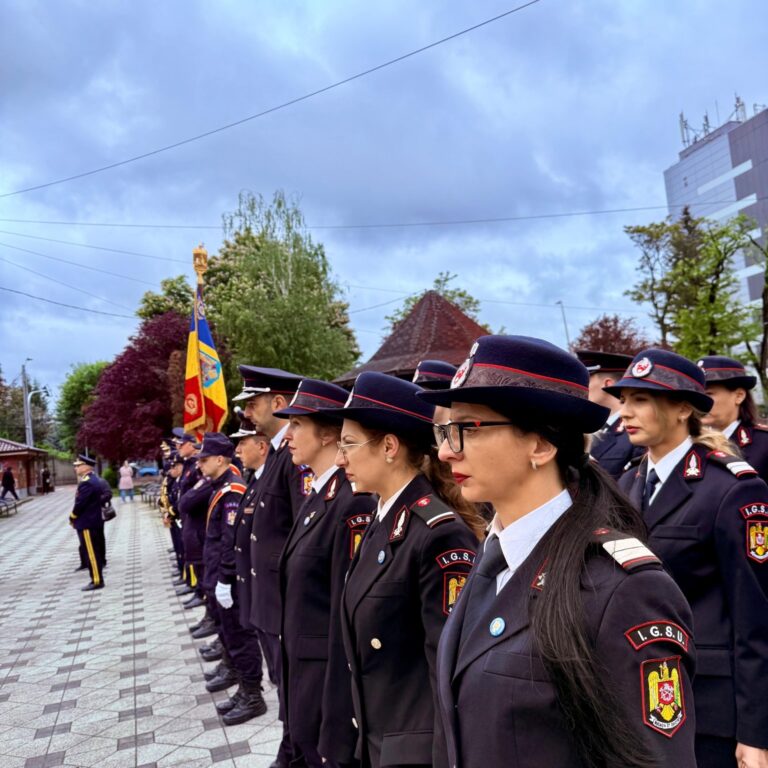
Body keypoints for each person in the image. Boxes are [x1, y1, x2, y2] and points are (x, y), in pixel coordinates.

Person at [420, 335, 697, 768]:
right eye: (445, 430)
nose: (445, 451)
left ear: (541, 445)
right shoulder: (494, 558)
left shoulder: (622, 590)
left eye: (468, 428)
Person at [610, 347, 768, 768]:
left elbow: (755, 619)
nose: (625, 411)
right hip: (635, 697)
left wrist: (755, 733)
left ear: (683, 408)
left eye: (640, 399)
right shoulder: (625, 485)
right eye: (623, 399)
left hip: (708, 706)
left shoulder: (731, 489)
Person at [337, 371, 482, 768]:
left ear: (389, 446)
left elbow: (448, 670)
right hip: (381, 738)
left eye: (348, 444)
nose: (339, 458)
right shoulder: (383, 517)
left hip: (417, 751)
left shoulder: (438, 534)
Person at [274, 378, 373, 767]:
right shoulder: (319, 493)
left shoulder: (350, 502)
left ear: (329, 434)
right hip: (302, 673)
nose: (287, 435)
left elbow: (343, 614)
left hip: (324, 684)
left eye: (297, 424)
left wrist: (338, 714)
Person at [236, 365, 313, 768]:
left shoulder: (295, 460)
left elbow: (303, 533)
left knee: (293, 688)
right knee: (283, 685)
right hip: (271, 599)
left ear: (278, 403)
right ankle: (290, 747)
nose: (246, 412)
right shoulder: (281, 455)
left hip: (286, 599)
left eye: (253, 403)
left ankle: (294, 753)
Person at [212, 414, 271, 724]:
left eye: (242, 443)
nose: (237, 450)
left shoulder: (250, 482)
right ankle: (247, 690)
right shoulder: (254, 479)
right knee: (236, 636)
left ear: (261, 446)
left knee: (243, 637)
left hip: (250, 579)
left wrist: (226, 575)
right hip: (244, 577)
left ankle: (252, 694)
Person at [576, 349, 645, 478]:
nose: (581, 387)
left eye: (586, 380)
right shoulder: (586, 428)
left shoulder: (637, 432)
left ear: (607, 384)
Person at [698, 355, 768, 480]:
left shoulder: (764, 443)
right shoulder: (689, 442)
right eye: (698, 396)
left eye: (708, 394)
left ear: (739, 396)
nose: (701, 403)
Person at [70, 455, 110, 591]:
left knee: (91, 553)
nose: (76, 468)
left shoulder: (87, 482)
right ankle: (96, 579)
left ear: (86, 467)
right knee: (94, 551)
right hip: (93, 520)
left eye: (78, 466)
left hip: (87, 522)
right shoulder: (92, 479)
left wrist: (72, 516)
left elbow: (80, 504)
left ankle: (97, 580)